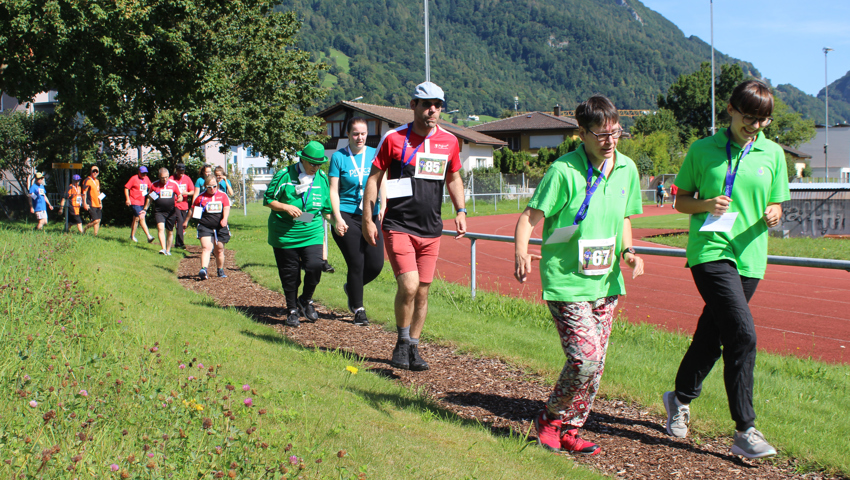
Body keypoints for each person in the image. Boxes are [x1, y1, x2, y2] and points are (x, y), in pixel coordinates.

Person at [662, 80, 789, 459]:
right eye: (750, 118)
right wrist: (704, 206)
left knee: (713, 334)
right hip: (711, 252)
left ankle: (679, 397)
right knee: (743, 334)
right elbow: (681, 201)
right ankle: (745, 429)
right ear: (731, 109)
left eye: (763, 121)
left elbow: (777, 201)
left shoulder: (773, 153)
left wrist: (775, 212)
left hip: (750, 256)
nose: (756, 126)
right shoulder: (703, 150)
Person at [514, 95, 644, 456]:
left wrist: (629, 252)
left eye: (615, 133)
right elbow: (528, 218)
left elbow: (624, 218)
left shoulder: (627, 169)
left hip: (606, 282)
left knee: (597, 364)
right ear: (582, 134)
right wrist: (520, 252)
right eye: (601, 135)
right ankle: (549, 419)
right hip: (566, 280)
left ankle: (571, 428)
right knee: (583, 358)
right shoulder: (563, 171)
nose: (610, 141)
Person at [361, 81, 467, 371]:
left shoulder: (450, 141)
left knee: (422, 291)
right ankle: (402, 341)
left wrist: (461, 210)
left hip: (431, 228)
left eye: (438, 105)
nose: (432, 110)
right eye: (426, 104)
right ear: (413, 106)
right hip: (398, 225)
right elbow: (373, 178)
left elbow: (454, 178)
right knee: (408, 285)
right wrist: (368, 218)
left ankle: (414, 348)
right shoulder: (394, 138)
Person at [264, 141, 334, 327]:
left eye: (319, 164)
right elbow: (268, 199)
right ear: (302, 159)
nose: (316, 167)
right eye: (312, 163)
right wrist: (286, 207)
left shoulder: (321, 178)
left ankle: (306, 300)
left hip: (311, 231)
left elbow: (326, 209)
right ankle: (292, 309)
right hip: (285, 233)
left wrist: (337, 222)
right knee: (290, 275)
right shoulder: (284, 175)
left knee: (314, 267)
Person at [329, 117, 387, 326]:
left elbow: (381, 181)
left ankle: (351, 288)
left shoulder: (374, 154)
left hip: (371, 214)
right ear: (348, 135)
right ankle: (359, 309)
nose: (360, 137)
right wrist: (336, 217)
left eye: (363, 133)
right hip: (347, 215)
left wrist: (384, 203)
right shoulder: (338, 157)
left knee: (376, 264)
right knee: (356, 262)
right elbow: (333, 190)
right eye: (355, 133)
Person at [184, 176, 231, 279]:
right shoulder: (200, 198)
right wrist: (189, 221)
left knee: (219, 250)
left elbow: (227, 207)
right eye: (209, 187)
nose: (212, 189)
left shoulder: (223, 196)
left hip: (220, 226)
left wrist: (225, 218)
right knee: (206, 248)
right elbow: (195, 211)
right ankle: (203, 269)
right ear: (205, 186)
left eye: (214, 186)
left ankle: (220, 270)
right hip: (205, 226)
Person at [145, 168, 183, 255]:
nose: (164, 179)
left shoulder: (173, 184)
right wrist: (145, 209)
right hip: (159, 211)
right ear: (159, 177)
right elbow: (150, 199)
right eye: (162, 178)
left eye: (166, 177)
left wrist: (179, 199)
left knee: (169, 231)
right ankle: (163, 248)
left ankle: (168, 250)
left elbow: (180, 195)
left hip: (171, 212)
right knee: (160, 228)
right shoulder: (154, 185)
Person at [124, 166, 155, 243]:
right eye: (142, 173)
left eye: (145, 173)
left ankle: (132, 236)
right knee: (141, 217)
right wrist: (127, 199)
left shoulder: (146, 179)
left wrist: (155, 196)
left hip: (142, 202)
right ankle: (149, 236)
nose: (144, 174)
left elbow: (151, 188)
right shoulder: (134, 178)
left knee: (136, 219)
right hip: (134, 201)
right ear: (139, 172)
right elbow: (126, 188)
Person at [170, 163, 195, 248]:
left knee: (183, 224)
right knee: (180, 221)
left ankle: (178, 243)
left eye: (183, 171)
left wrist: (186, 193)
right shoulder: (172, 179)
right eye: (180, 171)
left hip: (184, 205)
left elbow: (193, 191)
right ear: (176, 171)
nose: (181, 173)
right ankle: (180, 243)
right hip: (175, 204)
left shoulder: (187, 179)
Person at [81, 166, 103, 235]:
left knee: (98, 220)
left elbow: (98, 192)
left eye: (96, 171)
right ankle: (85, 229)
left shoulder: (97, 181)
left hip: (97, 203)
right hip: (91, 203)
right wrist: (84, 203)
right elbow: (84, 192)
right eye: (94, 171)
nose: (95, 173)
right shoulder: (87, 180)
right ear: (91, 171)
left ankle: (95, 235)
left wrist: (100, 202)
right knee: (95, 220)